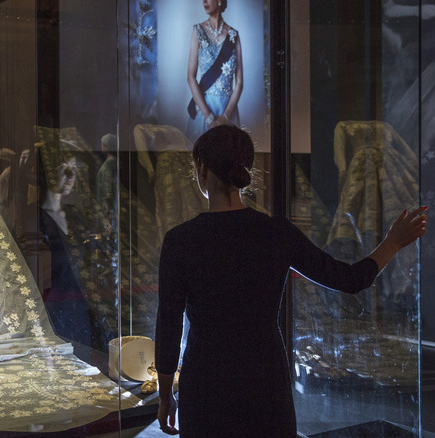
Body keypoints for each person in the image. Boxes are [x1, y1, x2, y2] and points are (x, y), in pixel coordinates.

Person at [155, 125, 427, 437]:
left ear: (202, 168)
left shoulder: (180, 240)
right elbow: (350, 279)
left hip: (206, 384)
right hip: (265, 382)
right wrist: (392, 241)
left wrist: (166, 397)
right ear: (245, 168)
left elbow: (169, 327)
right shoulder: (276, 233)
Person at [186, 0, 243, 142]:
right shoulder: (197, 31)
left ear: (219, 1)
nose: (204, 1)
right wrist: (209, 118)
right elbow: (190, 77)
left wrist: (226, 116)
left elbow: (239, 82)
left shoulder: (233, 36)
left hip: (227, 110)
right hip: (204, 110)